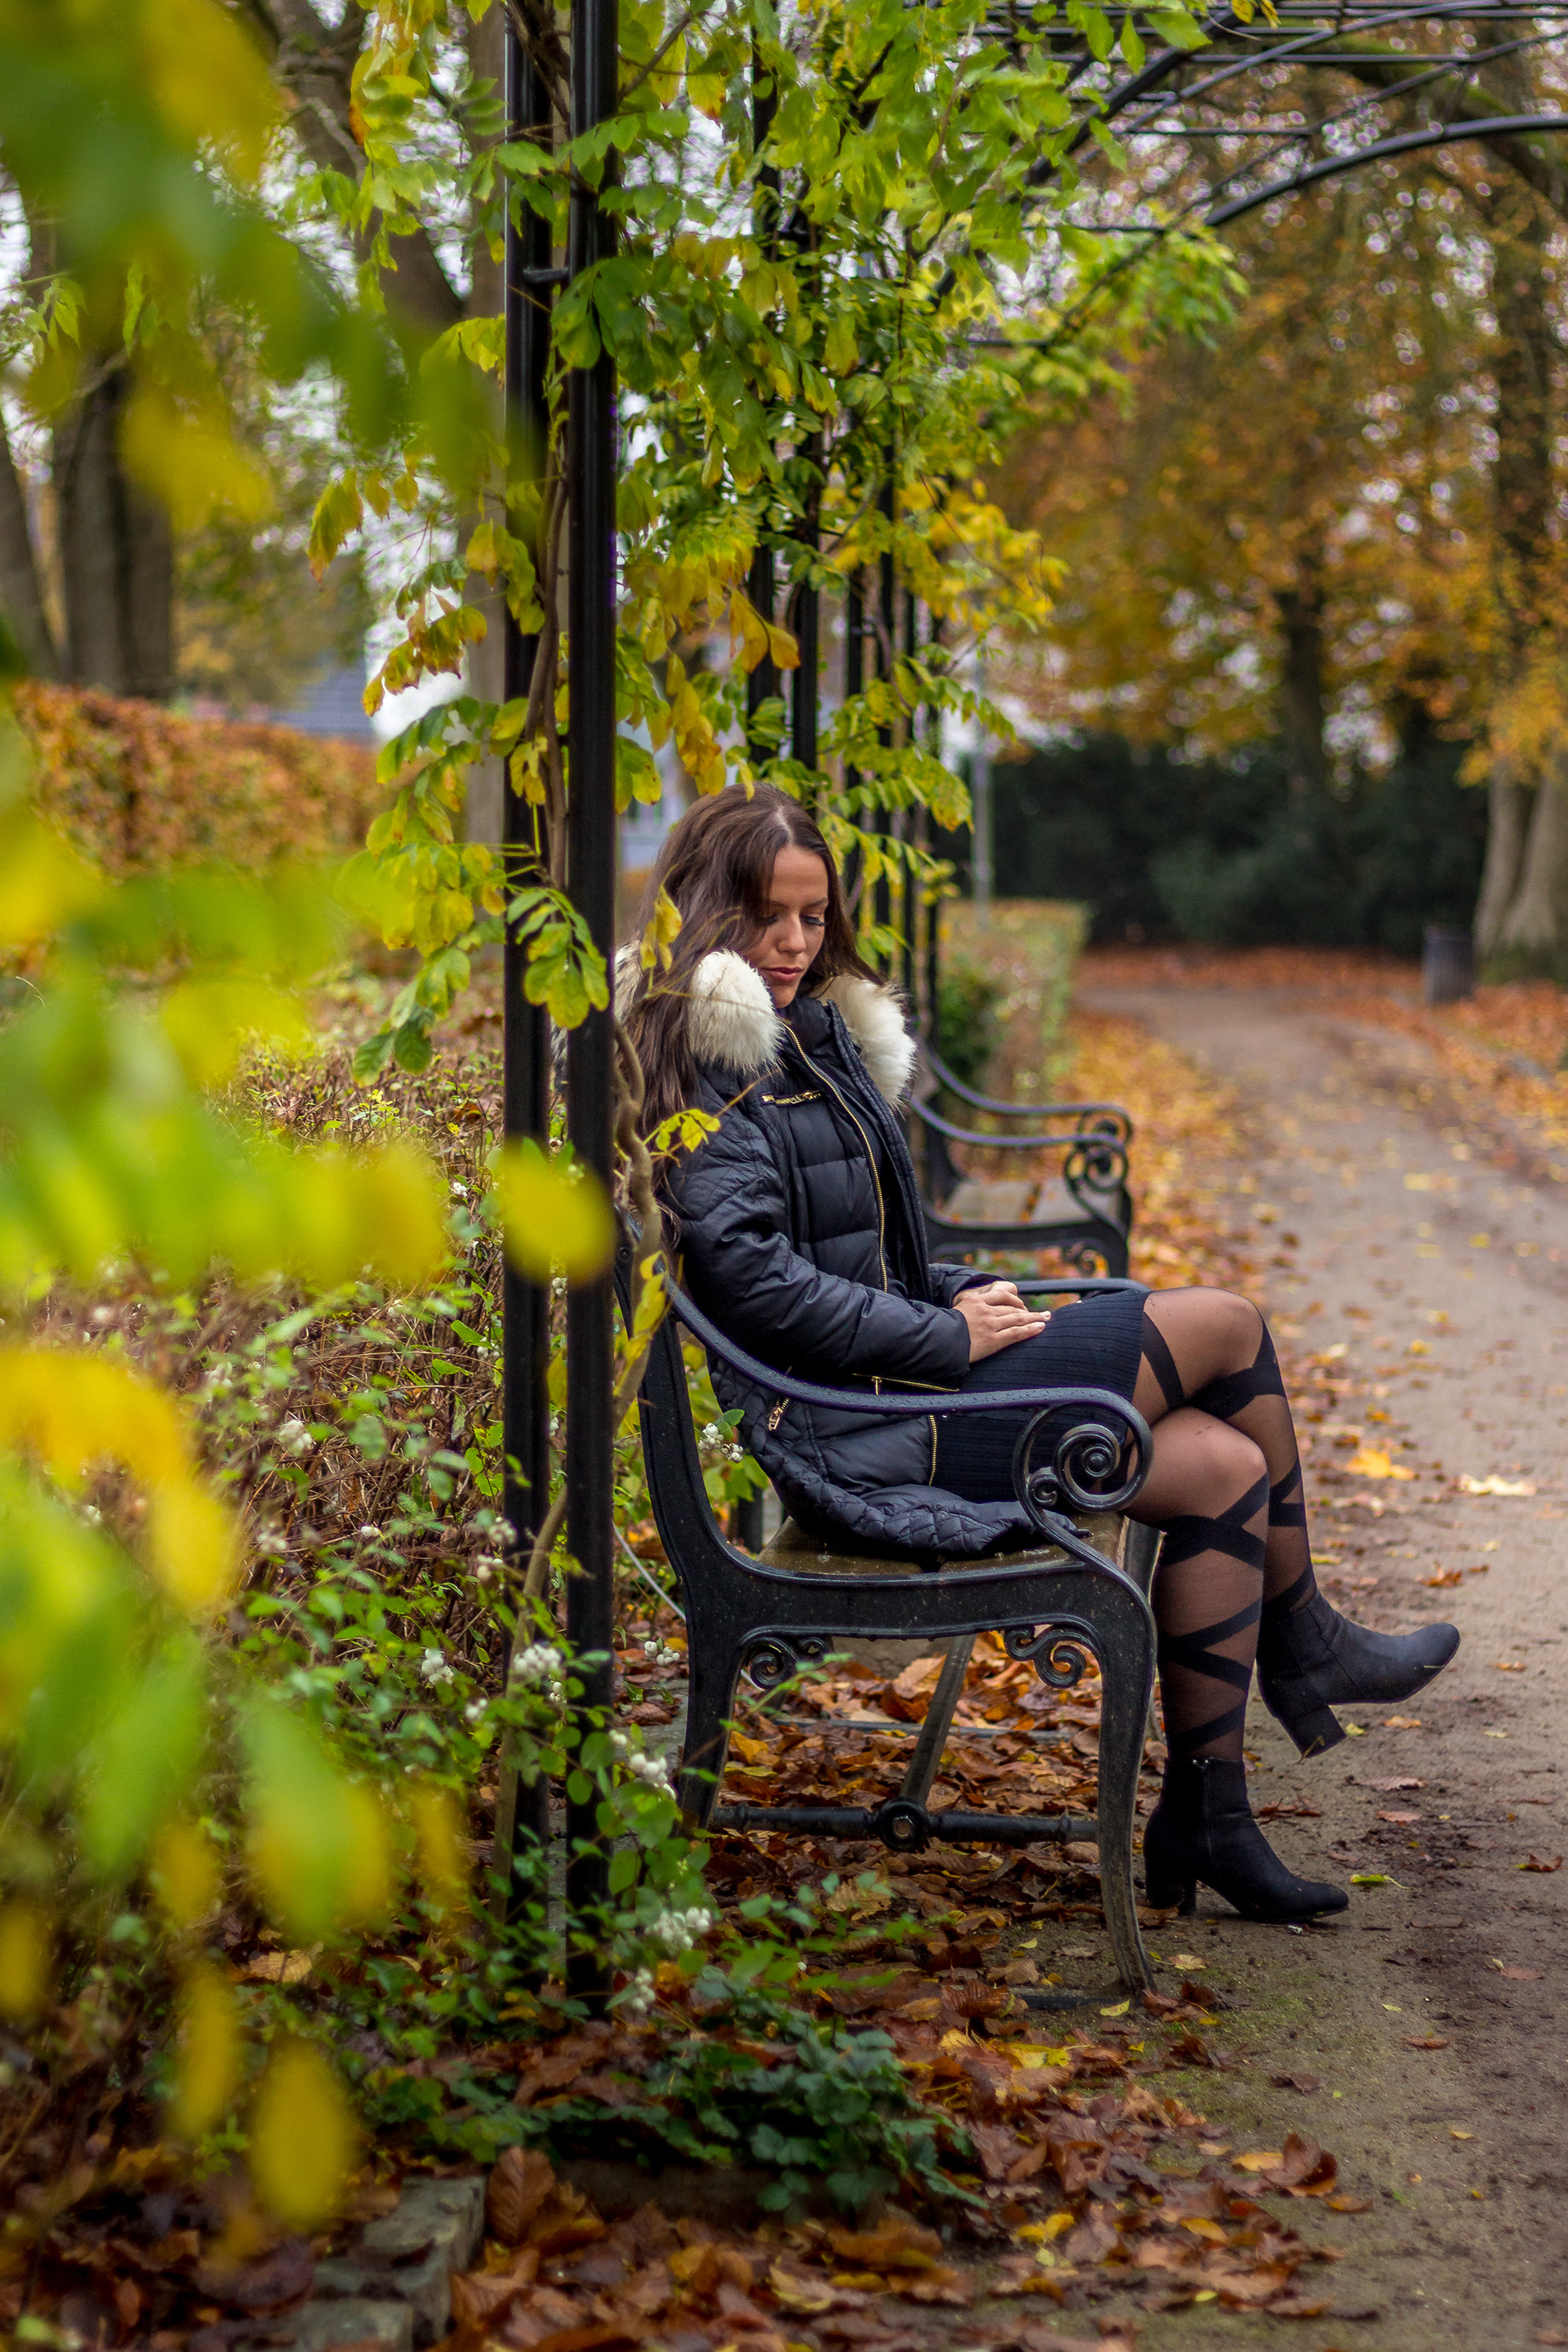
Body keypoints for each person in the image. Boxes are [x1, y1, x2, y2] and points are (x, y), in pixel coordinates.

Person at [624, 783, 1459, 1923]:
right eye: (769, 915)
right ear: (711, 911)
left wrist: (966, 1299)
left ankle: (1209, 1816)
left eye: (815, 917)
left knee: (1224, 1468)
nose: (795, 942)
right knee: (1229, 1324)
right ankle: (1303, 1637)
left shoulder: (805, 1043)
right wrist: (946, 1337)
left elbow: (862, 1254)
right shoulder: (714, 1064)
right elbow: (760, 1285)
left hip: (904, 1393)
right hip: (867, 1437)